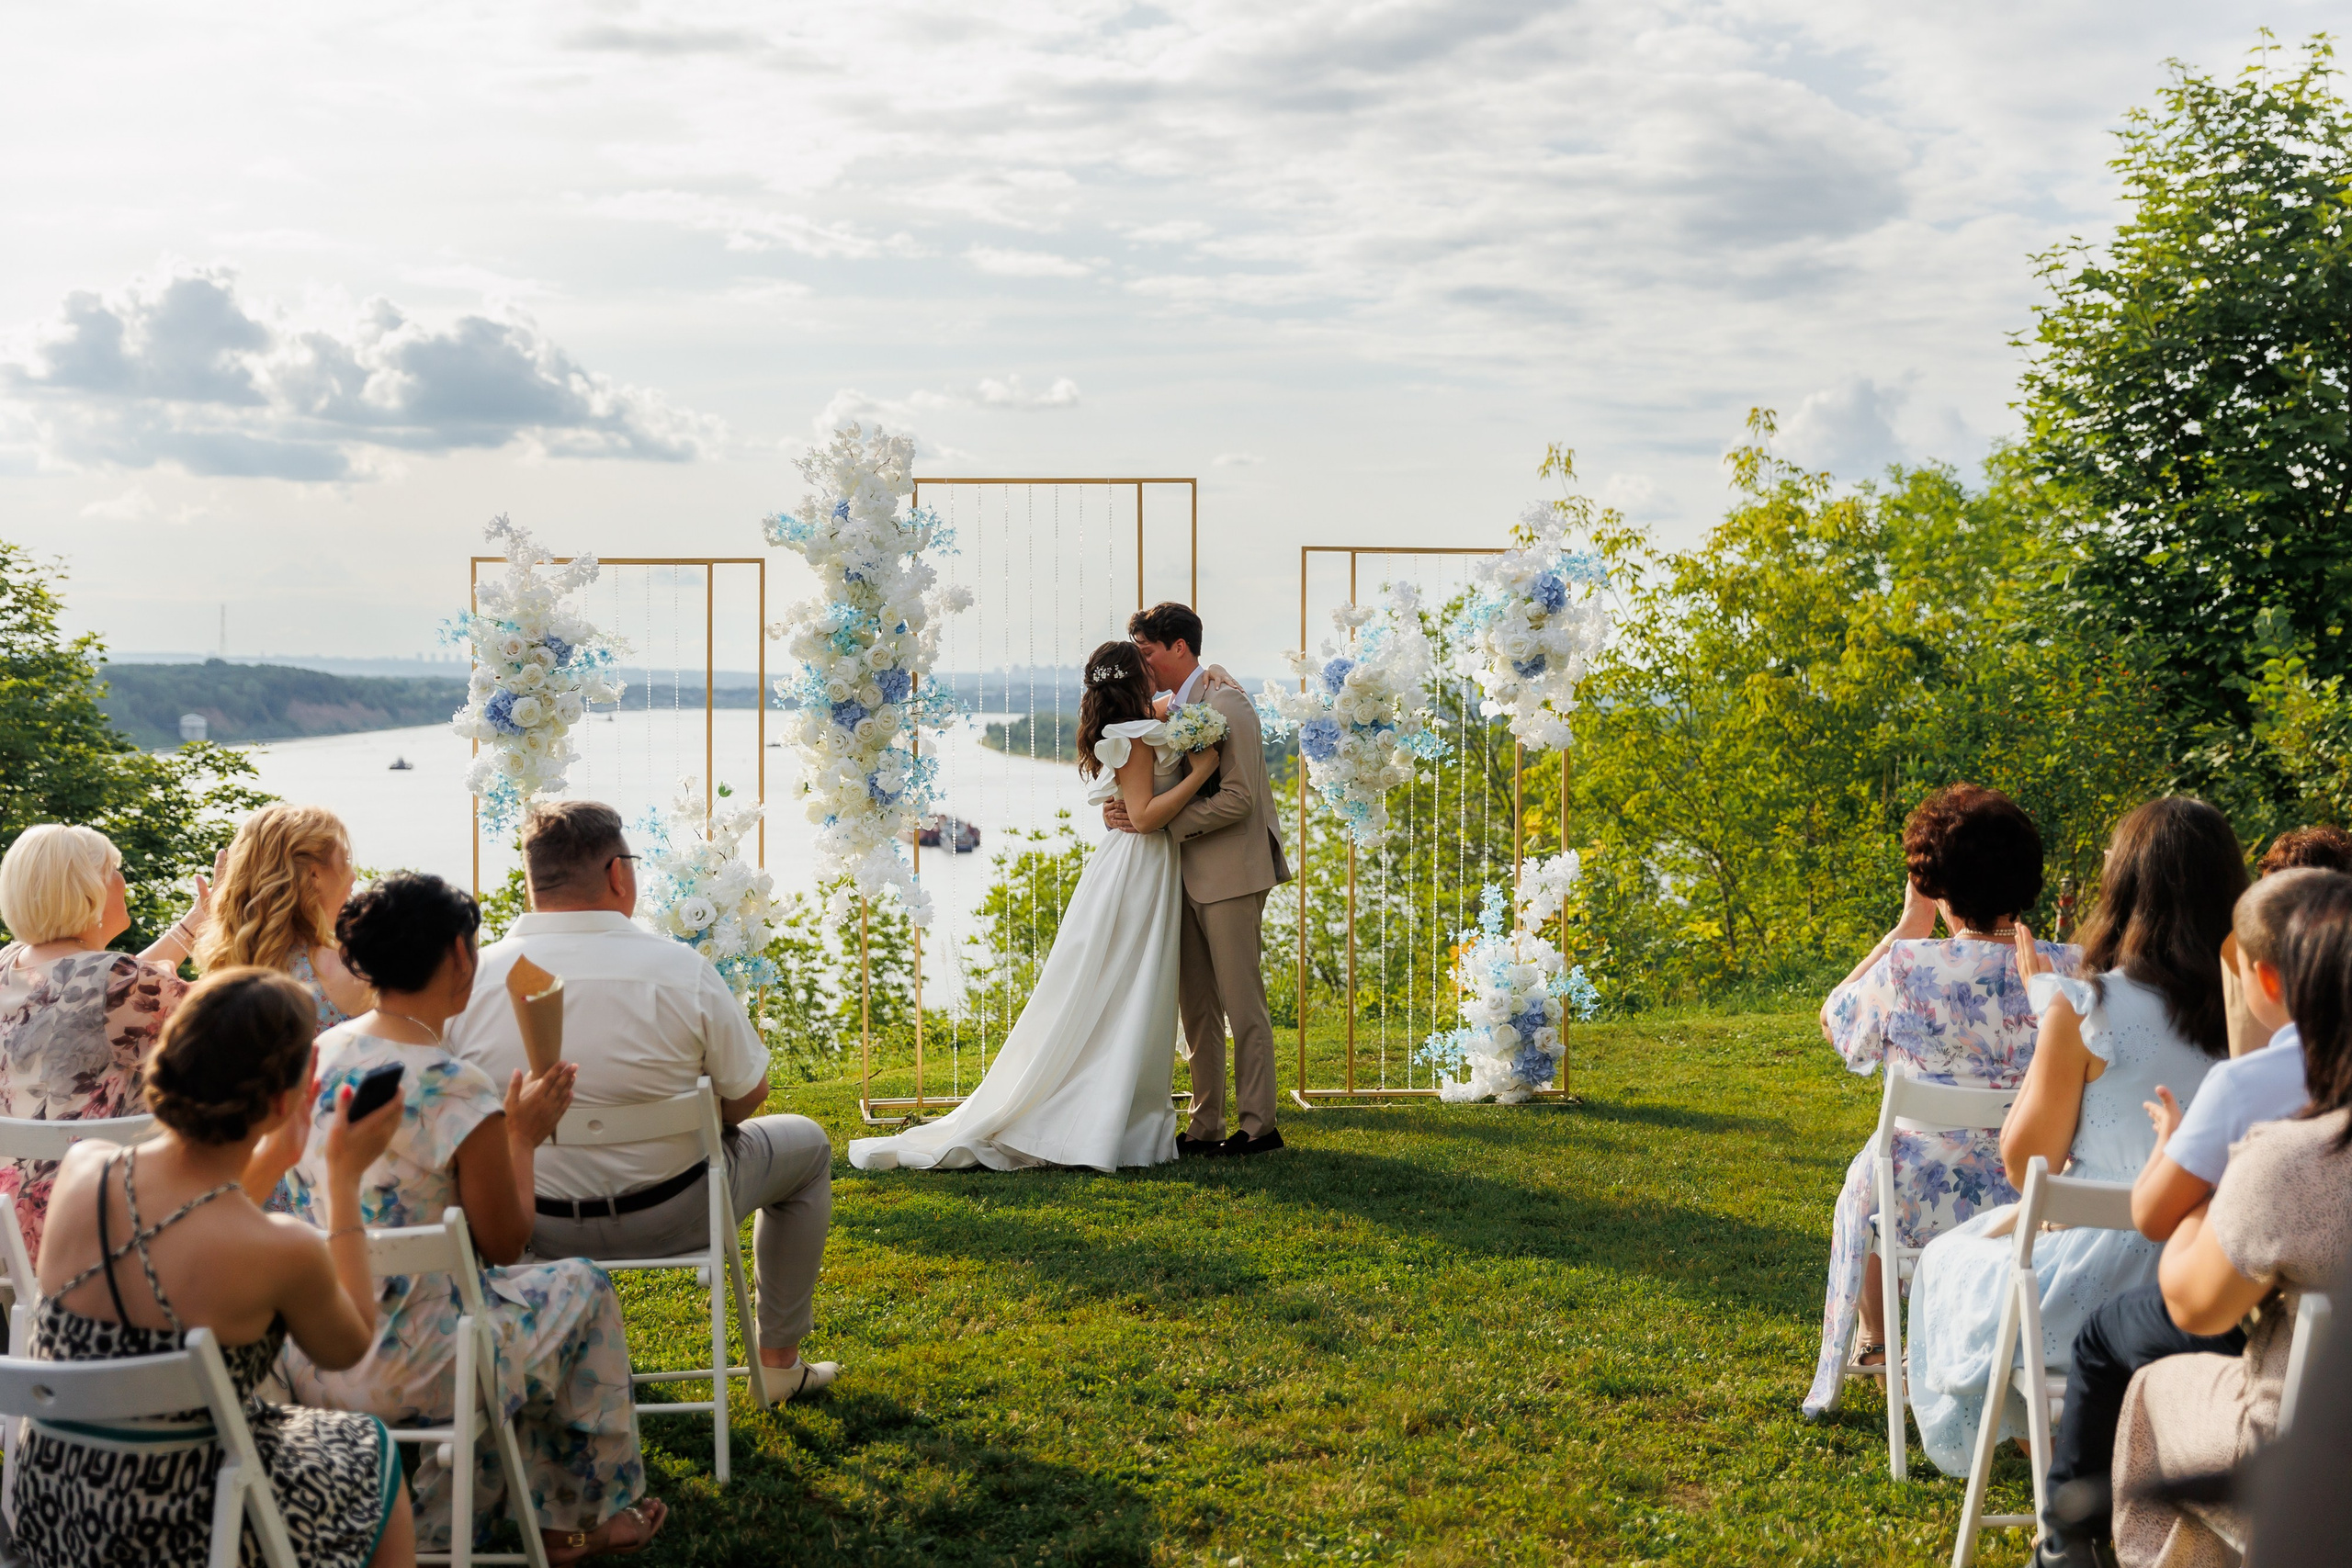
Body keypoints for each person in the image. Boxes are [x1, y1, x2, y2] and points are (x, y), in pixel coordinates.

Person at [282, 873, 663, 1564]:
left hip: (316, 1352)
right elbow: (505, 1240)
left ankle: (463, 1508)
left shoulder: (316, 1056)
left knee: (489, 1306)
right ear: (459, 955)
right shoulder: (454, 1085)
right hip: (427, 1364)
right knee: (581, 1288)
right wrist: (520, 1136)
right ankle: (578, 1520)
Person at [12, 966, 412, 1568]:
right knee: (367, 1447)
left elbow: (188, 1227)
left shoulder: (81, 1168)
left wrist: (272, 1155)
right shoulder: (280, 1248)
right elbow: (348, 1346)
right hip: (182, 1519)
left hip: (52, 1509)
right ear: (283, 1101)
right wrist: (343, 1177)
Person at [446, 800, 841, 1398]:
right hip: (679, 1210)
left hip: (530, 1224)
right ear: (617, 873)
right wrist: (692, 1123)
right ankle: (779, 1362)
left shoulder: (473, 983)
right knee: (807, 1146)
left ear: (533, 880)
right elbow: (749, 1092)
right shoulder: (680, 969)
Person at [1902, 796, 2245, 1478]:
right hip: (2214, 1278)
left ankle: (2062, 1482)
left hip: (2094, 1284)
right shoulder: (2252, 1014)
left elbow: (2025, 1161)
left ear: (2123, 892)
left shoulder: (2089, 1005)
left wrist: (2047, 1016)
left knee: (1949, 1261)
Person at [2029, 866, 2343, 1565]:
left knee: (2110, 1336)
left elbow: (2185, 1283)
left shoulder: (2282, 1148)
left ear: (2265, 979)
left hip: (2283, 1413)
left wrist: (2182, 1160)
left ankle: (2066, 1541)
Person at [850, 641, 1224, 1174]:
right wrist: (1197, 773)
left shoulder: (1139, 724)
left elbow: (1168, 720)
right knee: (1123, 984)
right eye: (1147, 667)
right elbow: (1142, 817)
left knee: (1129, 985)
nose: (1155, 673)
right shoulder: (1134, 739)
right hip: (1139, 865)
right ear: (1137, 677)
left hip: (1140, 866)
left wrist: (1210, 685)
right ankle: (1109, 1116)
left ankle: (1127, 1109)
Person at [1802, 784, 2078, 1418]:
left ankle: (1876, 1342)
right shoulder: (2076, 970)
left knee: (1875, 1164)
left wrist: (1910, 926)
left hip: (1914, 1200)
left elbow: (1834, 1019)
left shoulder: (1909, 967)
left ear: (1935, 885)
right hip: (2035, 1199)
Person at [1106, 601, 1294, 1157]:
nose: (1141, 664)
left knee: (1243, 1004)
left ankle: (1260, 1127)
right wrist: (1127, 811)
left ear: (1179, 648)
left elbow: (1239, 798)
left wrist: (1161, 826)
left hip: (1232, 872)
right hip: (1180, 876)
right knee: (1197, 1008)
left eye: (1146, 652)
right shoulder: (1173, 706)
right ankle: (1204, 1124)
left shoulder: (1226, 703)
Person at [0, 823, 213, 1259]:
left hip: (10, 1220)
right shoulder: (121, 981)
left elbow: (91, 988)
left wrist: (194, 924)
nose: (122, 880)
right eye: (113, 870)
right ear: (89, 889)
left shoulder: (9, 963)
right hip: (95, 1224)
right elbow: (236, 1025)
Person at [198, 804, 374, 1034]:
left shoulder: (222, 975)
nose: (353, 875)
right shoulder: (349, 973)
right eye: (346, 859)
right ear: (314, 875)